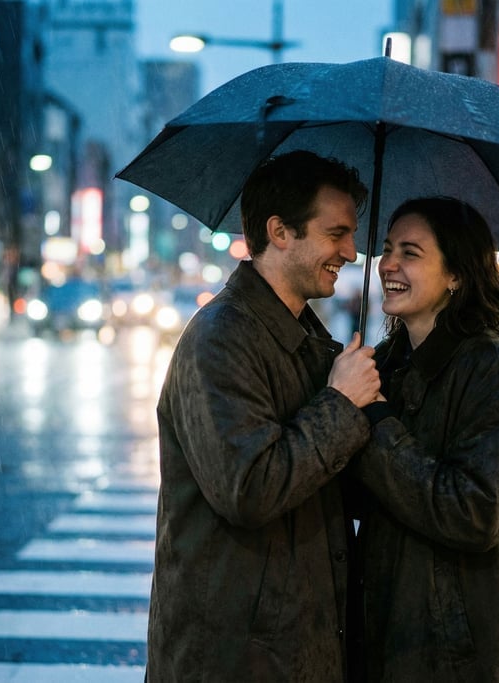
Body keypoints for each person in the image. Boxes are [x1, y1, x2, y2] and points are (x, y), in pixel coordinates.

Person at [146, 150, 381, 682]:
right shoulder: (221, 339)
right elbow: (249, 488)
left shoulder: (309, 342)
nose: (350, 250)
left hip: (291, 650)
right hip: (235, 658)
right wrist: (341, 404)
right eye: (336, 233)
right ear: (280, 231)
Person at [349, 197, 499, 681]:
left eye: (411, 252)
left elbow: (477, 514)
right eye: (386, 249)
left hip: (467, 654)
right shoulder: (385, 367)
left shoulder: (492, 371)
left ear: (456, 276)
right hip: (391, 639)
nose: (389, 264)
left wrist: (378, 424)